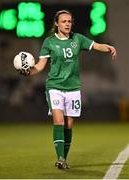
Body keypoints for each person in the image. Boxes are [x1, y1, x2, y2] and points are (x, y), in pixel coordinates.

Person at [19, 10, 117, 169]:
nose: (67, 24)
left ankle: (64, 157)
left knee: (68, 125)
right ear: (56, 23)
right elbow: (40, 65)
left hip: (72, 88)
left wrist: (109, 48)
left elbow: (96, 45)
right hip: (55, 87)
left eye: (69, 21)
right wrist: (28, 71)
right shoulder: (49, 42)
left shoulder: (77, 39)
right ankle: (60, 158)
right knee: (58, 120)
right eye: (64, 21)